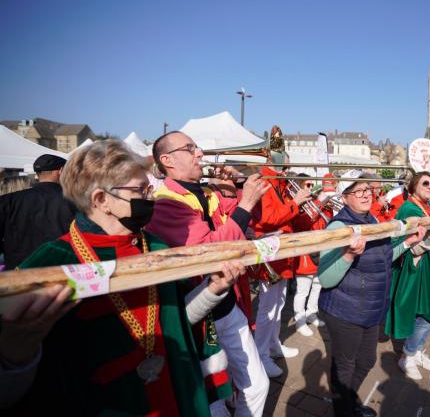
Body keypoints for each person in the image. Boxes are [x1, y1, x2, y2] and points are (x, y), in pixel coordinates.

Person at [1, 140, 245, 414]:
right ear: (101, 200)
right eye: (140, 190)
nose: (151, 197)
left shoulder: (156, 247)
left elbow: (177, 322)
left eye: (148, 188)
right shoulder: (54, 261)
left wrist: (214, 289)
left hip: (173, 397)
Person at [146, 131, 270, 416]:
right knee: (212, 402)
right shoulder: (166, 202)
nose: (199, 153)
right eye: (189, 149)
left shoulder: (206, 191)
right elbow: (208, 250)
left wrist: (237, 185)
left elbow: (247, 218)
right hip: (198, 314)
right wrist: (245, 203)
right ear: (167, 160)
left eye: (196, 147)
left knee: (258, 385)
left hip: (227, 303)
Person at [317, 170, 425, 417]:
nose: (366, 194)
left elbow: (383, 258)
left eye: (367, 189)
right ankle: (343, 410)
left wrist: (408, 243)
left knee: (366, 361)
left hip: (370, 307)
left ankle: (349, 402)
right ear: (344, 198)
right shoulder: (338, 226)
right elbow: (326, 278)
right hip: (344, 310)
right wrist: (349, 255)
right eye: (358, 191)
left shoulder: (372, 221)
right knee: (345, 366)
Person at [251, 153, 312, 378]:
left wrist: (301, 205)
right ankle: (260, 354)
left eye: (287, 166)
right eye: (283, 166)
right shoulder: (265, 184)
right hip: (270, 253)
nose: (287, 170)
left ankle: (273, 344)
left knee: (279, 302)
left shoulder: (280, 185)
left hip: (282, 253)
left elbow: (287, 218)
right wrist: (295, 203)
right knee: (267, 307)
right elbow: (269, 218)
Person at [386, 171, 430, 380]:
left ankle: (417, 350)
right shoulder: (410, 208)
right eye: (425, 183)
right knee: (422, 314)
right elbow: (408, 243)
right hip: (417, 269)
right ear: (413, 187)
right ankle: (408, 356)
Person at [0, 154, 76, 270]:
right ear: (61, 171)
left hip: (18, 271)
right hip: (61, 271)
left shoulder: (8, 201)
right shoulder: (75, 202)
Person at [291, 174, 331, 337]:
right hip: (305, 252)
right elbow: (303, 222)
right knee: (303, 290)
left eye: (311, 185)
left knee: (317, 285)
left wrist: (326, 206)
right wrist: (320, 203)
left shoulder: (314, 203)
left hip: (319, 249)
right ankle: (299, 321)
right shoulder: (298, 205)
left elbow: (326, 222)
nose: (311, 189)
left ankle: (311, 313)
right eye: (307, 185)